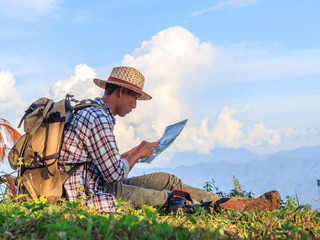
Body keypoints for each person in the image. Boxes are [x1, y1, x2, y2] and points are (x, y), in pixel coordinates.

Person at [58, 66, 281, 213]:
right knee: (170, 197)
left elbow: (101, 162)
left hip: (100, 180)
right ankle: (226, 209)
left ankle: (227, 203)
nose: (135, 106)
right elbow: (114, 174)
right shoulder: (97, 117)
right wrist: (137, 154)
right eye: (135, 98)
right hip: (93, 191)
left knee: (168, 179)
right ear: (121, 92)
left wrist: (137, 149)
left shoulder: (95, 112)